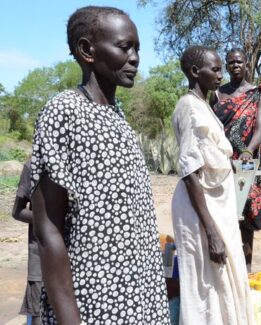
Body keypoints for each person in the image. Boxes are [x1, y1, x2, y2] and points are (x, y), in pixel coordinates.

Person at [30, 6, 169, 324]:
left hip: (140, 298)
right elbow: (48, 228)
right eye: (124, 47)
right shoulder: (64, 112)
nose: (134, 57)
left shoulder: (118, 118)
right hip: (93, 302)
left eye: (137, 49)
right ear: (87, 50)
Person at [172, 46, 254, 325]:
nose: (221, 74)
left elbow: (208, 157)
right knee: (208, 290)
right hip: (201, 214)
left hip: (218, 209)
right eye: (215, 69)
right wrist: (211, 232)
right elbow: (189, 171)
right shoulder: (188, 108)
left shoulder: (204, 105)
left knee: (225, 285)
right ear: (196, 72)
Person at [210, 48, 261, 272]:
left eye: (239, 61)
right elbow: (212, 128)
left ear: (247, 64)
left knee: (246, 216)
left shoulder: (257, 93)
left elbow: (259, 129)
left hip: (246, 164)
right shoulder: (217, 94)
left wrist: (247, 152)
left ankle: (246, 269)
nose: (235, 65)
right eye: (230, 62)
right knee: (222, 212)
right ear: (226, 67)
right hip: (220, 161)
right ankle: (227, 267)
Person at [12, 159, 42, 325]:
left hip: (73, 257)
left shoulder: (77, 164)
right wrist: (47, 220)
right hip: (41, 256)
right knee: (39, 314)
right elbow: (18, 211)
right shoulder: (32, 166)